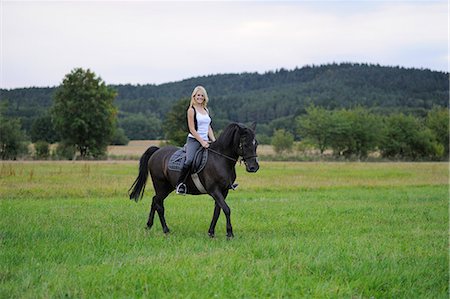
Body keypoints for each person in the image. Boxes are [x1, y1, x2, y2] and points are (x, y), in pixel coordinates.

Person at [176, 86, 216, 194]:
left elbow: (208, 127)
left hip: (206, 140)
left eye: (202, 95)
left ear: (204, 97)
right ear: (194, 96)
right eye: (198, 95)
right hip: (194, 140)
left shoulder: (205, 110)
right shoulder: (191, 110)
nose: (200, 97)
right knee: (189, 160)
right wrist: (202, 141)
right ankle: (180, 184)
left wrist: (214, 140)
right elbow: (192, 129)